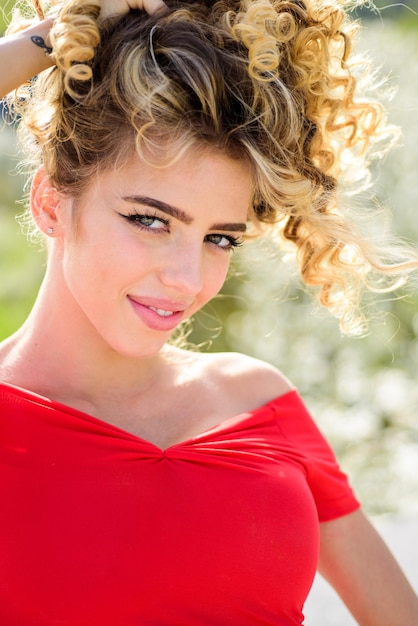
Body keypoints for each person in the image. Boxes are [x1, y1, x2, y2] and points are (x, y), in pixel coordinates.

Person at [0, 0, 417, 624]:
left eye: (220, 238)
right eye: (150, 220)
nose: (188, 280)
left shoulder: (256, 403)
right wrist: (53, 35)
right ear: (52, 202)